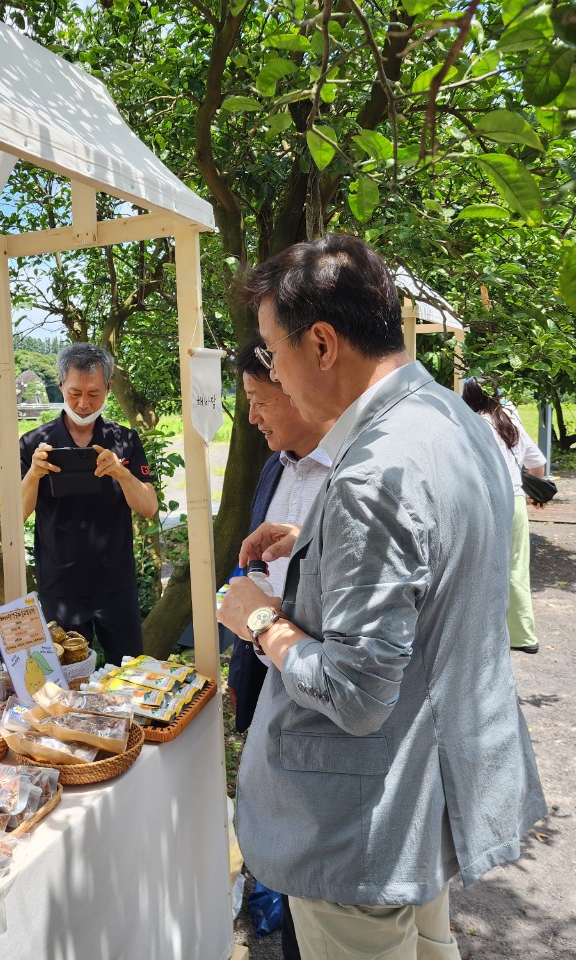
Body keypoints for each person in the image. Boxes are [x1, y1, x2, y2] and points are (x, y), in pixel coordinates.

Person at [216, 234, 546, 960]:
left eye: (272, 351)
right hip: (427, 784)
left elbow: (356, 690)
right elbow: (440, 555)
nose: (272, 372)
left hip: (362, 819)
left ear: (322, 343)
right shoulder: (450, 418)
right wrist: (318, 538)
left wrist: (260, 619)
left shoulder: (372, 474)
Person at [224, 339, 336, 960]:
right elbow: (259, 578)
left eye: (260, 400)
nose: (251, 417)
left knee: (318, 868)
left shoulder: (350, 475)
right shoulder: (274, 468)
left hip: (325, 699)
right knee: (286, 843)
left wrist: (263, 621)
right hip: (274, 679)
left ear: (295, 386)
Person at [20, 343, 158, 663]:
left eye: (94, 393)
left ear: (108, 388)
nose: (83, 404)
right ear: (60, 385)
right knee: (68, 674)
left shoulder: (124, 440)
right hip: (59, 583)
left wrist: (121, 473)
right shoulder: (34, 444)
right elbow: (17, 515)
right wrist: (33, 475)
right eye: (75, 393)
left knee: (128, 669)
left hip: (116, 582)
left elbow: (149, 507)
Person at [461, 378, 548, 654]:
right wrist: (532, 494)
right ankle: (523, 636)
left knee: (477, 567)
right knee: (516, 567)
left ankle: (479, 634)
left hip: (482, 501)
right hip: (516, 501)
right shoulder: (511, 422)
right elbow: (538, 464)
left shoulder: (470, 423)